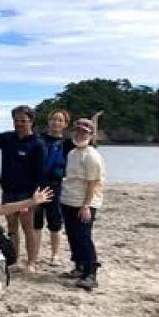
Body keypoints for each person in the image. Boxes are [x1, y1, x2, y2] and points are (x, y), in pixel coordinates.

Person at [0, 105, 46, 273]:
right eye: (16, 121)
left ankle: (31, 262)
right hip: (9, 191)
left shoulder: (38, 144)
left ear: (31, 121)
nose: (19, 124)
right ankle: (15, 258)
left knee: (28, 227)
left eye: (23, 121)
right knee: (11, 227)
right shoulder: (7, 138)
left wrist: (32, 199)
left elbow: (40, 174)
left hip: (27, 193)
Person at [35, 109, 103, 267]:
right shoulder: (39, 140)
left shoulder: (69, 145)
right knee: (37, 222)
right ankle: (36, 254)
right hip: (39, 185)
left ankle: (56, 255)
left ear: (65, 124)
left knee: (56, 223)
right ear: (48, 121)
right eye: (53, 119)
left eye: (60, 120)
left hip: (57, 186)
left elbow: (89, 142)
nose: (56, 123)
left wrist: (94, 122)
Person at [59, 118, 105, 290]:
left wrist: (86, 206)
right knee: (72, 235)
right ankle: (79, 266)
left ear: (91, 135)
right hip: (69, 199)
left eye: (84, 131)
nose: (80, 134)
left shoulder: (92, 155)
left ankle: (91, 273)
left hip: (84, 202)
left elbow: (93, 182)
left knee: (83, 237)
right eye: (77, 130)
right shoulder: (72, 153)